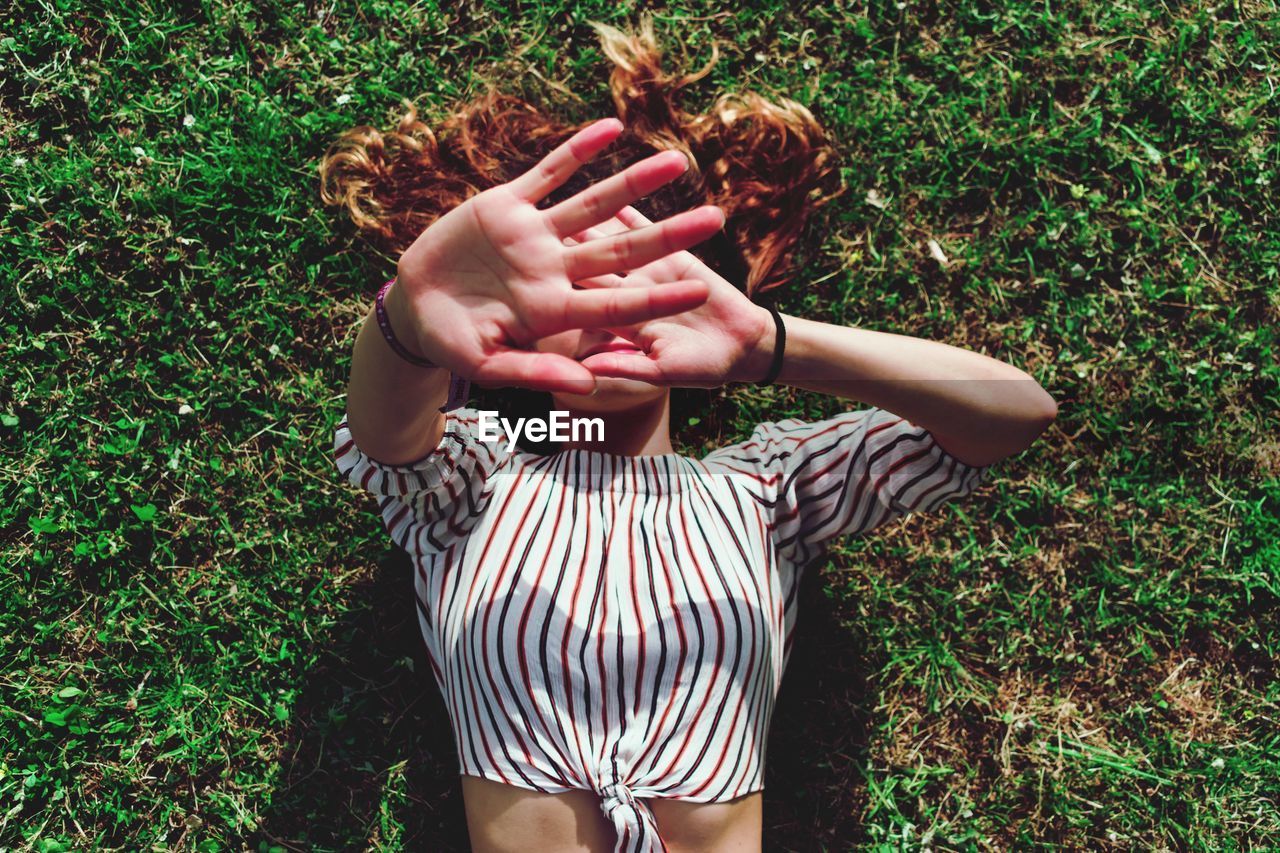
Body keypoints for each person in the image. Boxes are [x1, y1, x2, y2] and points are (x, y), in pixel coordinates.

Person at [321, 21, 1056, 853]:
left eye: (642, 286)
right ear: (522, 330)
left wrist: (772, 346)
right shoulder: (476, 480)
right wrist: (409, 327)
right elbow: (387, 437)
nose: (616, 311)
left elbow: (1014, 410)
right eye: (579, 290)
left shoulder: (768, 491)